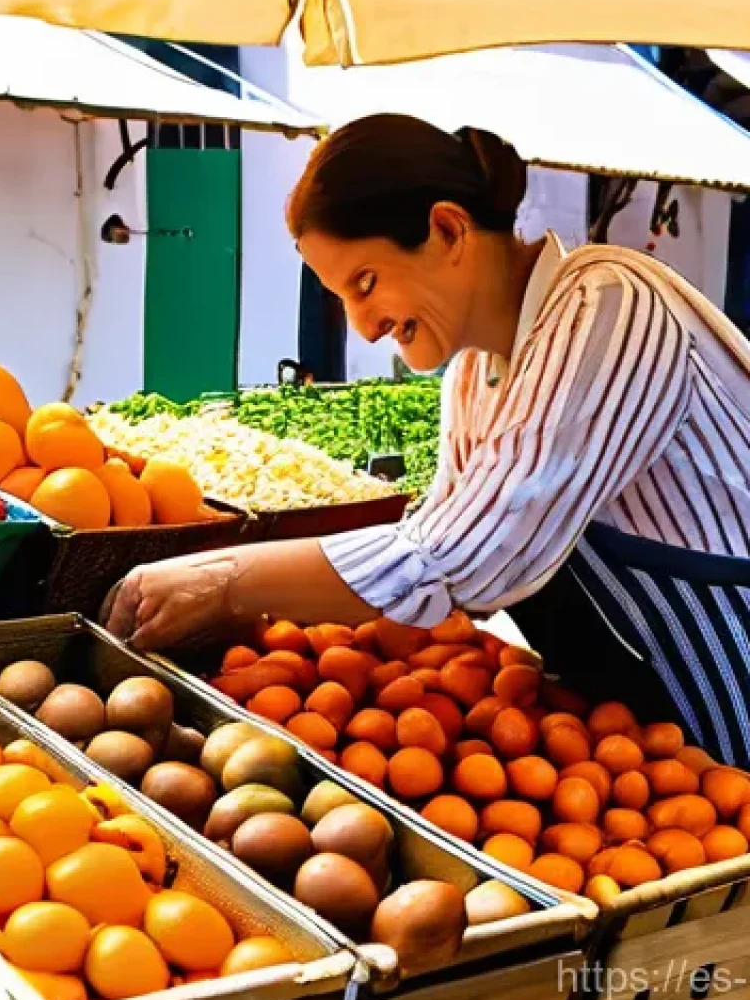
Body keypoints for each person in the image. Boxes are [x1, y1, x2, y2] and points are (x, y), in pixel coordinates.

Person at [104, 114, 750, 764]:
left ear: (447, 229)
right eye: (341, 301)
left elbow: (459, 555)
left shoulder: (610, 307)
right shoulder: (474, 377)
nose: (364, 329)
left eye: (366, 284)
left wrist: (227, 579)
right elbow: (437, 550)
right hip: (638, 741)